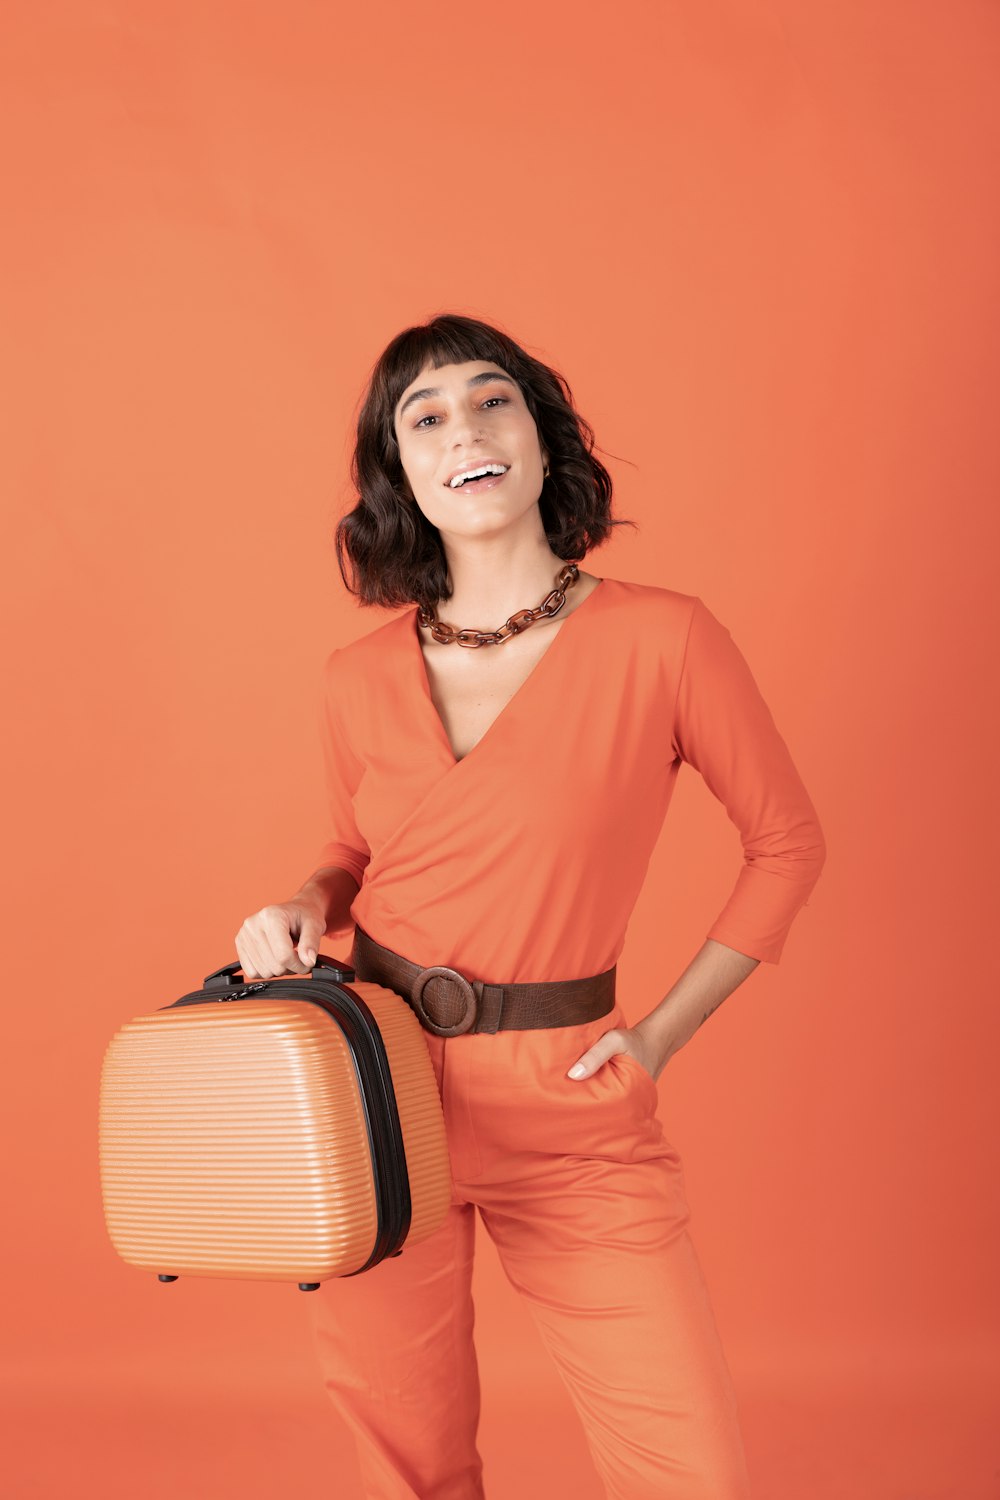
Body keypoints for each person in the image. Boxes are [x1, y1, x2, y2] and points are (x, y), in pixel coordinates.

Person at [235, 313, 827, 1500]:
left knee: (688, 1471)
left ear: (543, 441)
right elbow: (356, 845)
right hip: (378, 1087)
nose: (466, 428)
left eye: (491, 398)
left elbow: (787, 844)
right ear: (400, 473)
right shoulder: (356, 678)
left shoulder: (662, 638)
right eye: (427, 415)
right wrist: (301, 900)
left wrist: (657, 1034)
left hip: (572, 1098)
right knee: (405, 1463)